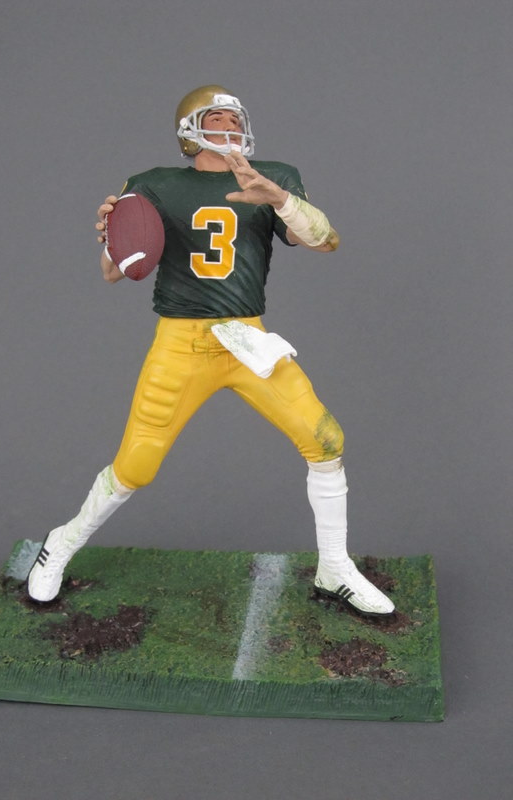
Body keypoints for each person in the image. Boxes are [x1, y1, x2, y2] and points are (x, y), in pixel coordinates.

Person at [27, 85, 394, 616]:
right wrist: (114, 234)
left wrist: (279, 199)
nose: (229, 126)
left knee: (325, 440)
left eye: (235, 118)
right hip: (182, 341)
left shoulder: (273, 176)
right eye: (217, 118)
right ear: (190, 130)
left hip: (246, 338)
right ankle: (61, 542)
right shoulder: (154, 184)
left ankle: (334, 568)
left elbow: (325, 240)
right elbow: (114, 272)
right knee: (136, 466)